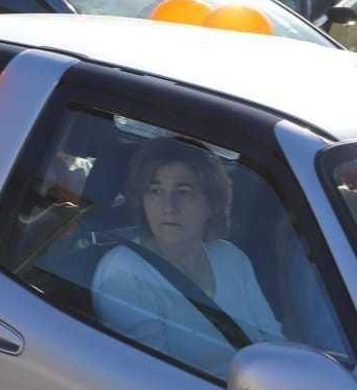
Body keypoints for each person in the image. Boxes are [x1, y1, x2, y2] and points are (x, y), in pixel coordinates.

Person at [92, 137, 282, 377]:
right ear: (142, 200)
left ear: (212, 203)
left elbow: (274, 341)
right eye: (155, 191)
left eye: (183, 191)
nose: (168, 206)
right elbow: (154, 381)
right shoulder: (124, 272)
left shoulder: (231, 258)